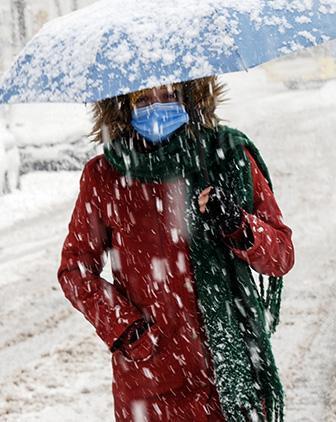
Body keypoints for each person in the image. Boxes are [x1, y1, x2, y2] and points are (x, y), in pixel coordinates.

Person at [57, 77, 294, 422]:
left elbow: (282, 255)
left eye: (168, 95)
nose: (157, 108)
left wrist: (237, 225)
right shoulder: (106, 175)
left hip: (228, 376)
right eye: (143, 99)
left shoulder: (226, 157)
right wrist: (127, 330)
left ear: (190, 95)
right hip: (149, 382)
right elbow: (75, 271)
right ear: (123, 107)